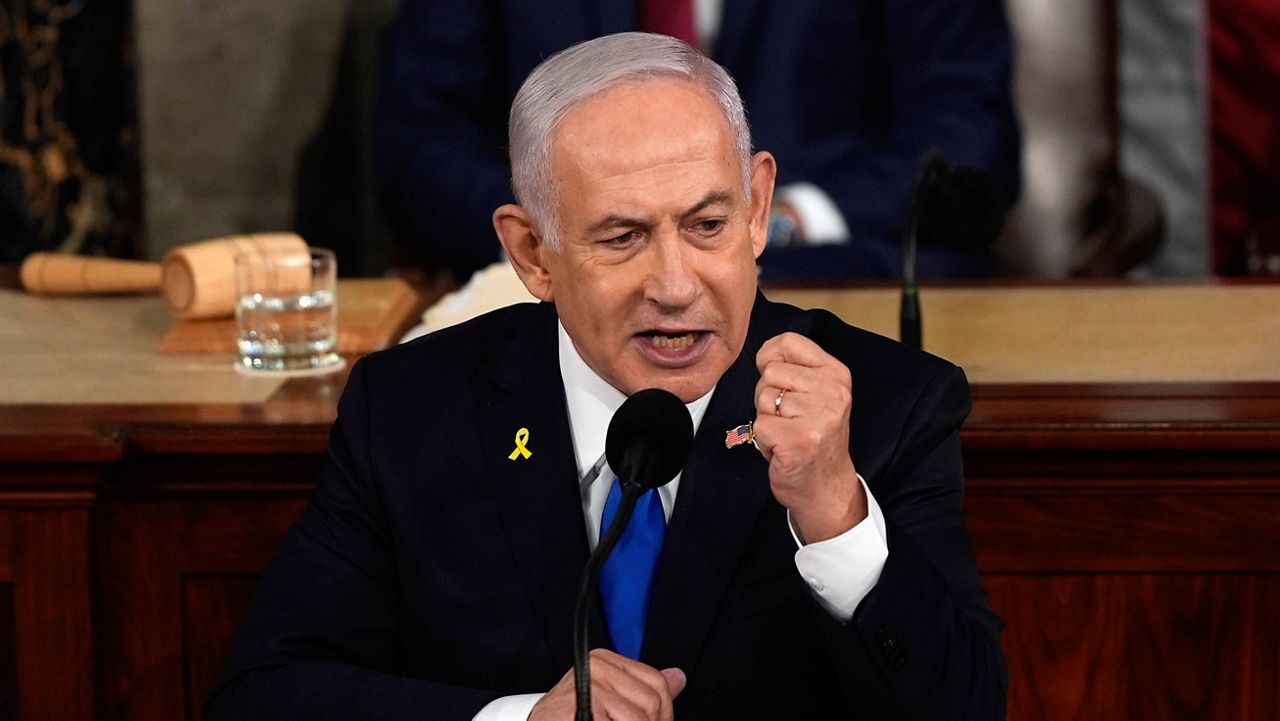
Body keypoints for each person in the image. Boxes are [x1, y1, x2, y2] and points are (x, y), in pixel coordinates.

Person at [207, 33, 1004, 720]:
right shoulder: (413, 411)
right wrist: (518, 718)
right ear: (531, 253)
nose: (676, 284)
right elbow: (264, 695)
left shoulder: (887, 406)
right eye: (622, 237)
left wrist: (835, 510)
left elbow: (965, 709)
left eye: (707, 226)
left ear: (759, 209)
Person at [375, 0, 1021, 283]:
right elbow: (420, 140)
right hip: (572, 305)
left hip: (832, 279)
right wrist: (581, 237)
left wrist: (783, 221)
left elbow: (969, 138)